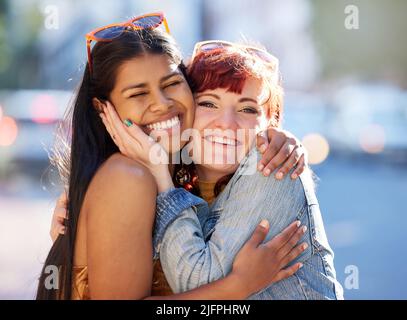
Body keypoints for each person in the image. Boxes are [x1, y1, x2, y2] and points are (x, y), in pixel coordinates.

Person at [39, 13, 308, 300]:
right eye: (138, 94)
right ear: (103, 108)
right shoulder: (128, 177)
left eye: (171, 84)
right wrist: (238, 286)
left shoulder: (180, 172)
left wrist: (279, 139)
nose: (162, 104)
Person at [99, 40, 344, 299]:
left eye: (247, 109)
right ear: (186, 108)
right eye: (208, 103)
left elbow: (195, 284)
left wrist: (161, 178)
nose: (226, 124)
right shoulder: (170, 171)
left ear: (270, 123)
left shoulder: (273, 168)